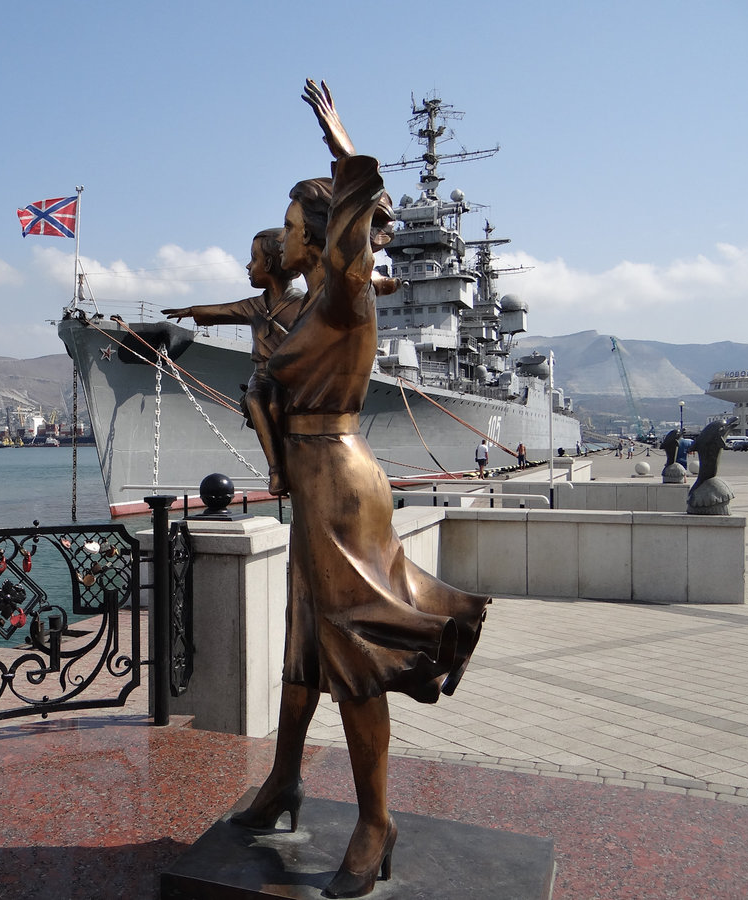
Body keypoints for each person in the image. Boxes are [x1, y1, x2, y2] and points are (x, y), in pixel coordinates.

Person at [229, 80, 490, 899]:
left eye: (292, 226)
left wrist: (342, 148)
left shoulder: (344, 290)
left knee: (352, 657)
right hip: (314, 484)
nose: (284, 235)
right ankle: (283, 782)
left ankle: (376, 822)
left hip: (340, 483)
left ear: (321, 237)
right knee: (305, 644)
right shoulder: (307, 304)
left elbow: (354, 221)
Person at [162, 229, 304, 495]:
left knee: (276, 405)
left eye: (254, 259)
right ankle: (275, 470)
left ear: (269, 264)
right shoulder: (254, 306)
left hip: (291, 375)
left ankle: (287, 463)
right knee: (255, 398)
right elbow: (224, 310)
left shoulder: (303, 304)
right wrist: (192, 311)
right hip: (262, 373)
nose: (248, 266)